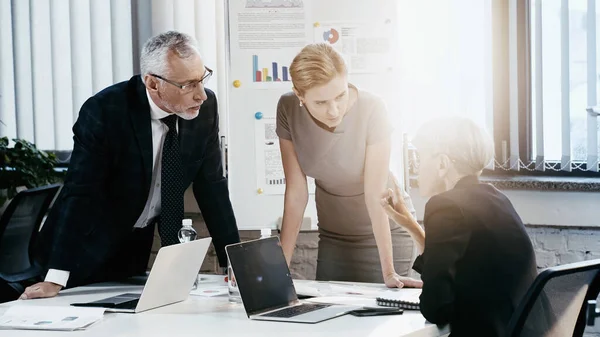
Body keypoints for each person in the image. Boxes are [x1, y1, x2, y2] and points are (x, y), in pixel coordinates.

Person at [13, 31, 240, 301]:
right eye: (189, 85)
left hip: (133, 250)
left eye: (202, 78)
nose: (201, 94)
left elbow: (212, 185)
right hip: (80, 250)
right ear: (153, 84)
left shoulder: (205, 108)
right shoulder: (105, 112)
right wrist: (56, 277)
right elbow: (80, 195)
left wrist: (234, 262)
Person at [276, 43, 421, 288]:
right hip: (334, 234)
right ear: (300, 96)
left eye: (340, 96)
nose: (333, 111)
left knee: (380, 317)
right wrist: (279, 271)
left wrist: (389, 271)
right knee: (328, 316)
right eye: (321, 102)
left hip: (386, 231)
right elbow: (296, 194)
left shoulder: (372, 108)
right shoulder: (287, 108)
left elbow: (376, 196)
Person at [381, 117, 537, 336]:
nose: (417, 167)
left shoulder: (446, 206)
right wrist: (411, 226)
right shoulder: (496, 199)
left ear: (442, 164)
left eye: (421, 157)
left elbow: (435, 309)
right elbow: (461, 269)